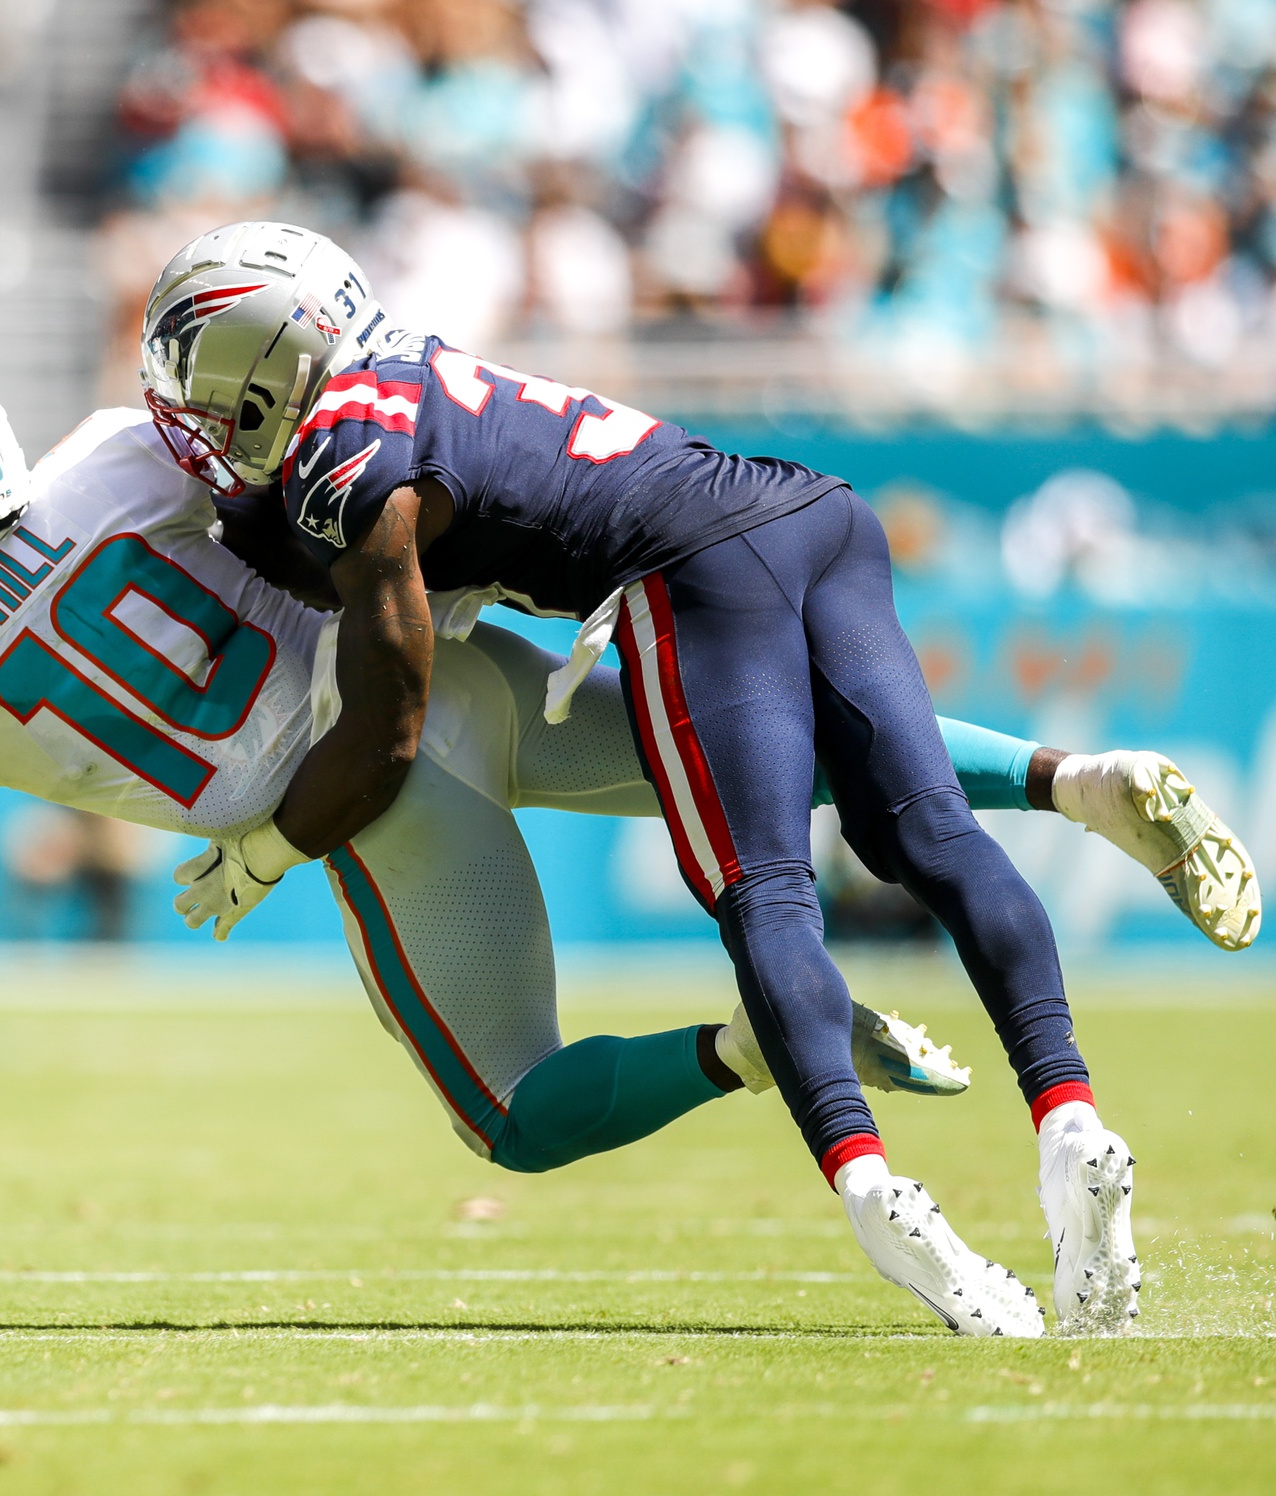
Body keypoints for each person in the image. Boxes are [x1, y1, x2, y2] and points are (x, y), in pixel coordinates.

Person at [0, 358, 1241, 1333]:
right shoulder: (109, 454)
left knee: (512, 1115)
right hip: (436, 671)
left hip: (358, 805)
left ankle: (740, 1052)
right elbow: (301, 467)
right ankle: (1067, 777)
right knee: (772, 762)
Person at [136, 222, 1259, 1337]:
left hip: (694, 572)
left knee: (763, 887)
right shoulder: (399, 370)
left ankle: (869, 1186)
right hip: (811, 508)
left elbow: (388, 726)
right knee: (930, 834)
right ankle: (1069, 1114)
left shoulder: (344, 461)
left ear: (263, 365)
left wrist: (270, 846)